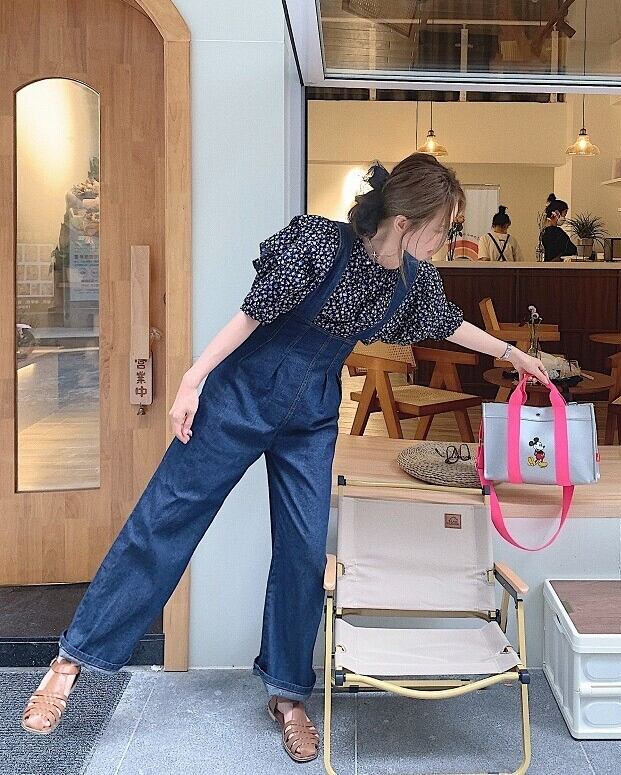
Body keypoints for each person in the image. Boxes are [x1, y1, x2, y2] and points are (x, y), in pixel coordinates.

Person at [20, 153, 548, 764]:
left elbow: (449, 324)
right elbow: (251, 316)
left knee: (302, 549)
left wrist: (512, 354)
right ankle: (71, 661)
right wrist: (193, 379)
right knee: (165, 518)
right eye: (443, 228)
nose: (448, 241)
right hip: (240, 397)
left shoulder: (412, 280)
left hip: (312, 416)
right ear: (404, 221)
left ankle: (288, 693)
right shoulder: (318, 245)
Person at [541, 193, 577, 262]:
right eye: (564, 214)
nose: (564, 218)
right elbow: (572, 250)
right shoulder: (557, 232)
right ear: (557, 213)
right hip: (556, 267)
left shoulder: (544, 232)